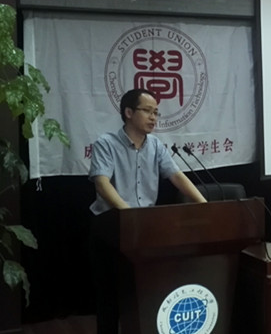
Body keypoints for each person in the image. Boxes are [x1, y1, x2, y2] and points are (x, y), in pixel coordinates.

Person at [88, 88, 207, 334]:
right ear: (128, 112)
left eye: (156, 113)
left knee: (144, 291)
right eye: (148, 111)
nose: (154, 117)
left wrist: (205, 205)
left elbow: (176, 176)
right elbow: (102, 183)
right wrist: (129, 214)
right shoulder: (106, 143)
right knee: (110, 295)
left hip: (145, 229)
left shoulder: (156, 145)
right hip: (112, 226)